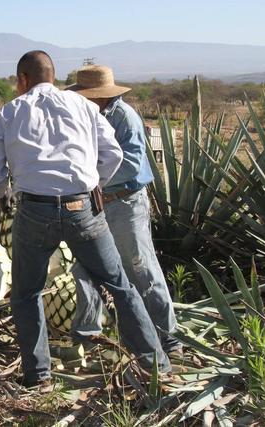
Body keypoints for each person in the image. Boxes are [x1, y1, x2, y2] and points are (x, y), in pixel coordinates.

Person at [0, 51, 170, 388]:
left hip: (35, 211)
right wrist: (93, 184)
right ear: (53, 76)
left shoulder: (11, 111)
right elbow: (113, 155)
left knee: (26, 293)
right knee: (120, 285)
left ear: (22, 79)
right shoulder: (82, 105)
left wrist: (3, 189)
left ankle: (39, 378)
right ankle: (156, 365)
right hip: (84, 209)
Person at [66, 65, 181, 355]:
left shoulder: (124, 117)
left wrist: (89, 177)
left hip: (125, 202)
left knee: (140, 267)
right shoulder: (85, 115)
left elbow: (130, 164)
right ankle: (87, 336)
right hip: (94, 202)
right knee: (85, 267)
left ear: (103, 96)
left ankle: (168, 339)